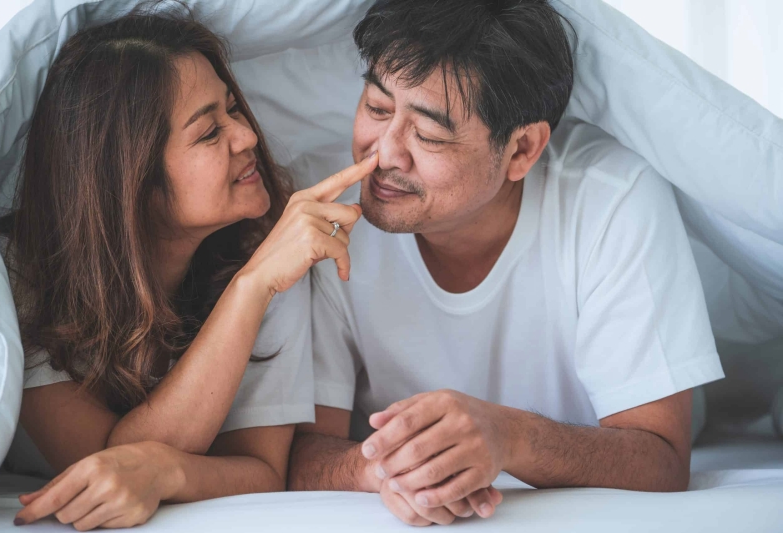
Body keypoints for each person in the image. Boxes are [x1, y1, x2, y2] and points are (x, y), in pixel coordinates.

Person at [288, 0, 725, 526]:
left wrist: (509, 437)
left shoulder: (612, 196)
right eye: (378, 108)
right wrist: (394, 471)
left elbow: (664, 456)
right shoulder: (323, 206)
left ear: (522, 150)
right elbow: (300, 450)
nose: (384, 154)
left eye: (429, 135)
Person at [0, 5, 376, 530]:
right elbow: (105, 465)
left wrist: (169, 472)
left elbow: (262, 469)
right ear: (131, 177)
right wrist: (251, 288)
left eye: (233, 110)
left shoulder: (266, 254)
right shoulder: (21, 269)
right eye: (209, 132)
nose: (247, 136)